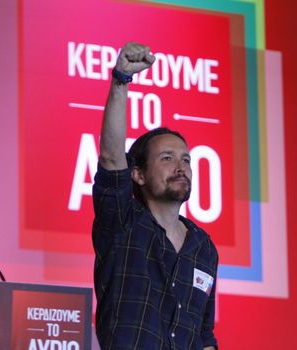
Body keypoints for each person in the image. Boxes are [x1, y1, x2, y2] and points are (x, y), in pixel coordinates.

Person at [92, 42, 219, 350]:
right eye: (167, 158)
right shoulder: (123, 221)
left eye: (186, 159)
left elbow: (204, 335)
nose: (181, 167)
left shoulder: (203, 247)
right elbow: (111, 157)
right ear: (138, 174)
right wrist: (121, 79)